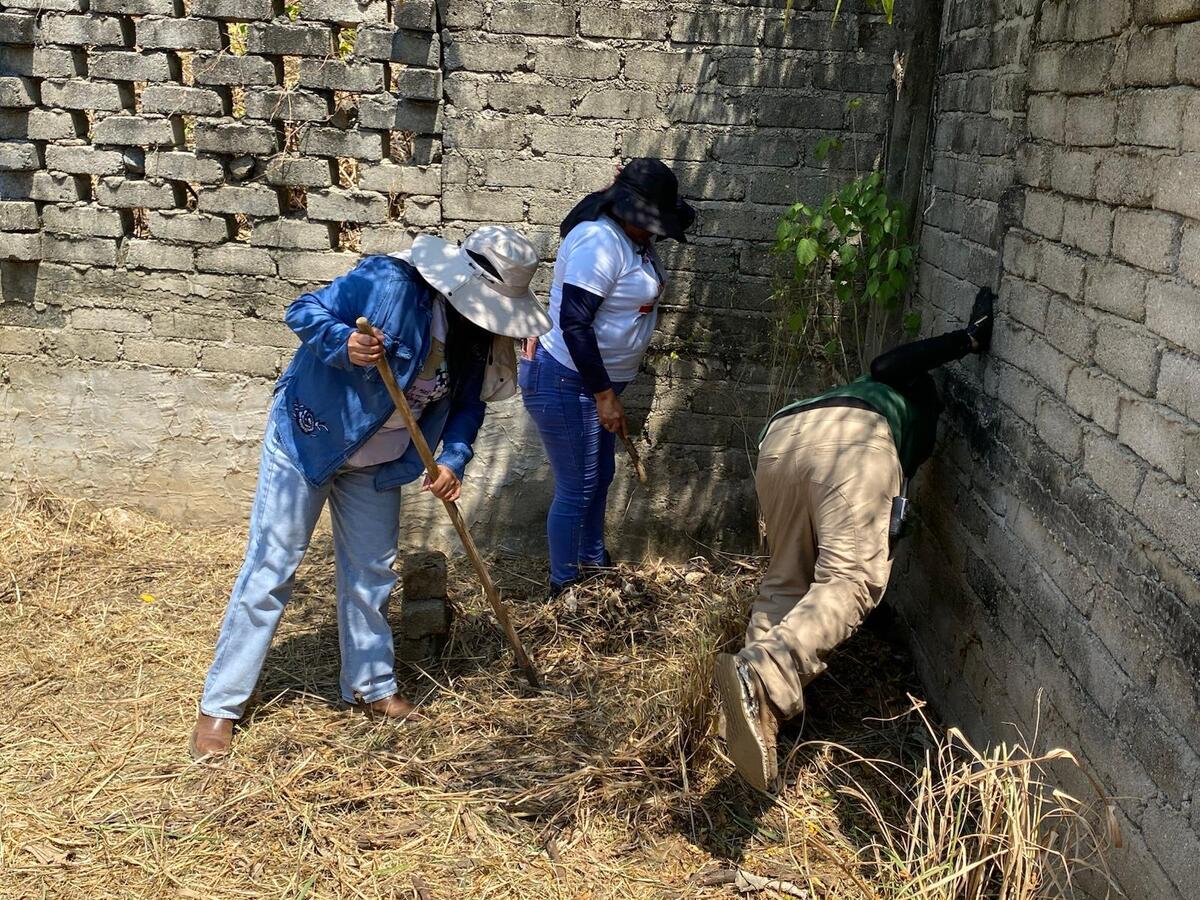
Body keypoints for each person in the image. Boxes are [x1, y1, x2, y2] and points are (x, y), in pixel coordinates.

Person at [189, 226, 552, 760]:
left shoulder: (477, 338)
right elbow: (304, 310)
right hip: (311, 440)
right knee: (273, 567)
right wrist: (346, 344)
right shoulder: (387, 283)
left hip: (378, 464)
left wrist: (453, 459)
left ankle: (370, 686)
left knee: (372, 571)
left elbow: (469, 407)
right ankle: (220, 706)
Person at [716, 286, 997, 791]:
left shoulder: (854, 391)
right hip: (854, 445)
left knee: (787, 577)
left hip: (782, 438)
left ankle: (763, 719)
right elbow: (889, 363)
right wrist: (967, 340)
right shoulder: (899, 394)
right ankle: (764, 676)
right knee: (850, 582)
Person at [521, 158, 695, 595]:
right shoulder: (600, 242)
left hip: (596, 384)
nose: (656, 231)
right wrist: (603, 394)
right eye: (651, 221)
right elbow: (575, 323)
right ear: (629, 211)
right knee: (578, 486)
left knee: (599, 478)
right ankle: (564, 587)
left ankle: (594, 565)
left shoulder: (632, 239)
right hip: (566, 380)